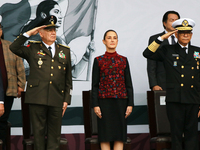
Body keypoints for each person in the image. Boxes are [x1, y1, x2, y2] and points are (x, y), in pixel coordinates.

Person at [9, 15, 73, 150]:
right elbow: (14, 47)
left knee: (54, 136)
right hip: (37, 98)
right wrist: (29, 33)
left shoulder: (64, 51)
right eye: (49, 30)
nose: (53, 32)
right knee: (38, 135)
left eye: (54, 29)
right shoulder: (32, 48)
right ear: (41, 33)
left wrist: (66, 99)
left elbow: (68, 79)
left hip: (57, 98)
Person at [143, 18, 200, 150]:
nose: (185, 35)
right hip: (175, 99)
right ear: (176, 34)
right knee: (176, 134)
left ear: (191, 35)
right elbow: (147, 53)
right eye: (182, 32)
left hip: (193, 99)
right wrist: (161, 38)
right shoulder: (167, 50)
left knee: (192, 134)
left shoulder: (197, 52)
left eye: (188, 33)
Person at [21, 0, 95, 79]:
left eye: (60, 12)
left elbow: (74, 73)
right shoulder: (30, 40)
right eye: (56, 12)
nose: (60, 16)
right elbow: (24, 71)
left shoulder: (59, 42)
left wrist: (86, 56)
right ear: (44, 15)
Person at [91, 30, 134, 150]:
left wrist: (130, 104)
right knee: (105, 135)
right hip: (104, 103)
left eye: (114, 38)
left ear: (117, 41)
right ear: (104, 41)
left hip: (121, 102)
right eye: (109, 38)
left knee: (119, 135)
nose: (112, 40)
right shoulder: (98, 60)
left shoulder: (123, 60)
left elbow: (128, 84)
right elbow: (94, 85)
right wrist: (95, 105)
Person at [0, 20, 26, 149]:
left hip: (8, 90)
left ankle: (3, 145)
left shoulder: (9, 46)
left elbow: (19, 67)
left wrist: (21, 85)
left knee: (3, 121)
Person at [147, 11, 180, 91]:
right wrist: (154, 84)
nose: (174, 23)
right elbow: (151, 65)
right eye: (172, 20)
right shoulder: (155, 39)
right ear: (164, 23)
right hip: (162, 84)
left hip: (180, 84)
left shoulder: (183, 39)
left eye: (177, 20)